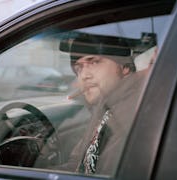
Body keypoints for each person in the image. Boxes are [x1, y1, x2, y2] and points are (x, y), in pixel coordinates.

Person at [39, 33, 157, 175]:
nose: (84, 76)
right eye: (79, 69)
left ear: (124, 66)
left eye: (94, 62)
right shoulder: (106, 108)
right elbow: (77, 166)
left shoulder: (135, 112)